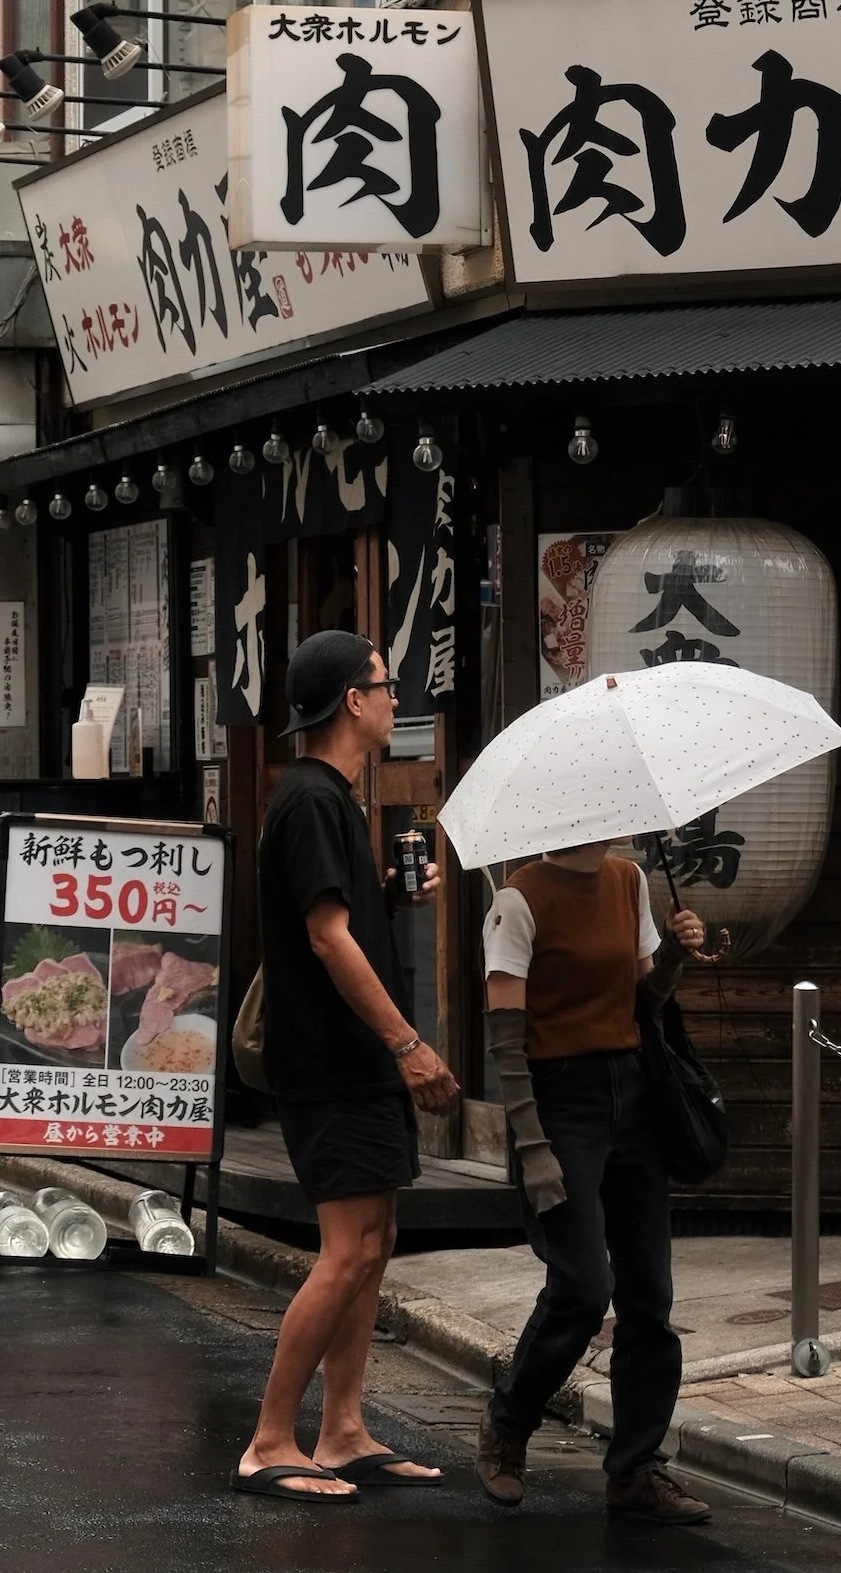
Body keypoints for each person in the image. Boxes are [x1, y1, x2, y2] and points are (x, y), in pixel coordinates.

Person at [233, 630, 461, 1505]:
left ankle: (343, 1429)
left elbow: (337, 918)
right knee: (345, 1250)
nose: (396, 697)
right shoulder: (311, 802)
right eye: (384, 684)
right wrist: (409, 1043)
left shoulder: (333, 801)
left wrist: (395, 894)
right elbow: (325, 939)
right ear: (352, 704)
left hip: (351, 1060)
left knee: (376, 1243)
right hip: (332, 1061)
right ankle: (268, 1439)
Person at [475, 837, 712, 1522]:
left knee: (649, 1295)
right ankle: (509, 1421)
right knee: (582, 1288)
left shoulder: (628, 880)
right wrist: (532, 1145)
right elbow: (505, 1039)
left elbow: (644, 999)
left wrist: (673, 951)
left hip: (633, 1093)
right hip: (557, 1102)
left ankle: (636, 1469)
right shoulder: (518, 901)